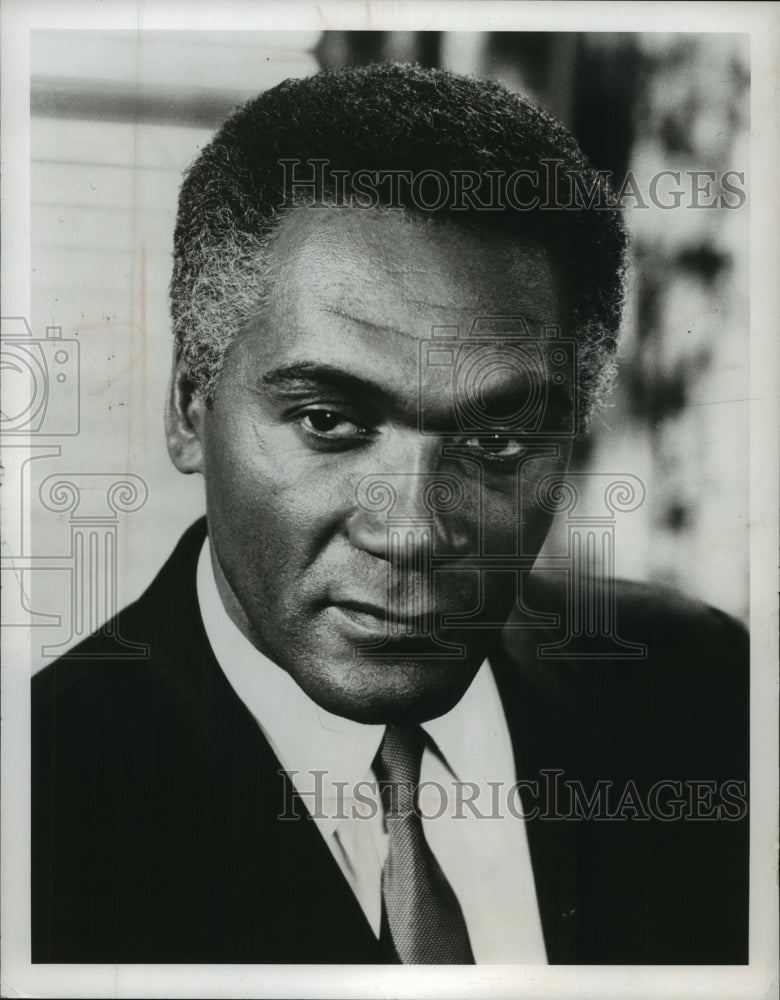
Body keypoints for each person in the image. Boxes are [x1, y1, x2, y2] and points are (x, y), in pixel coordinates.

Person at [31, 63, 748, 965]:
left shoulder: (706, 693)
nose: (412, 528)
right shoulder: (39, 803)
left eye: (496, 442)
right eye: (329, 422)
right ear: (187, 407)